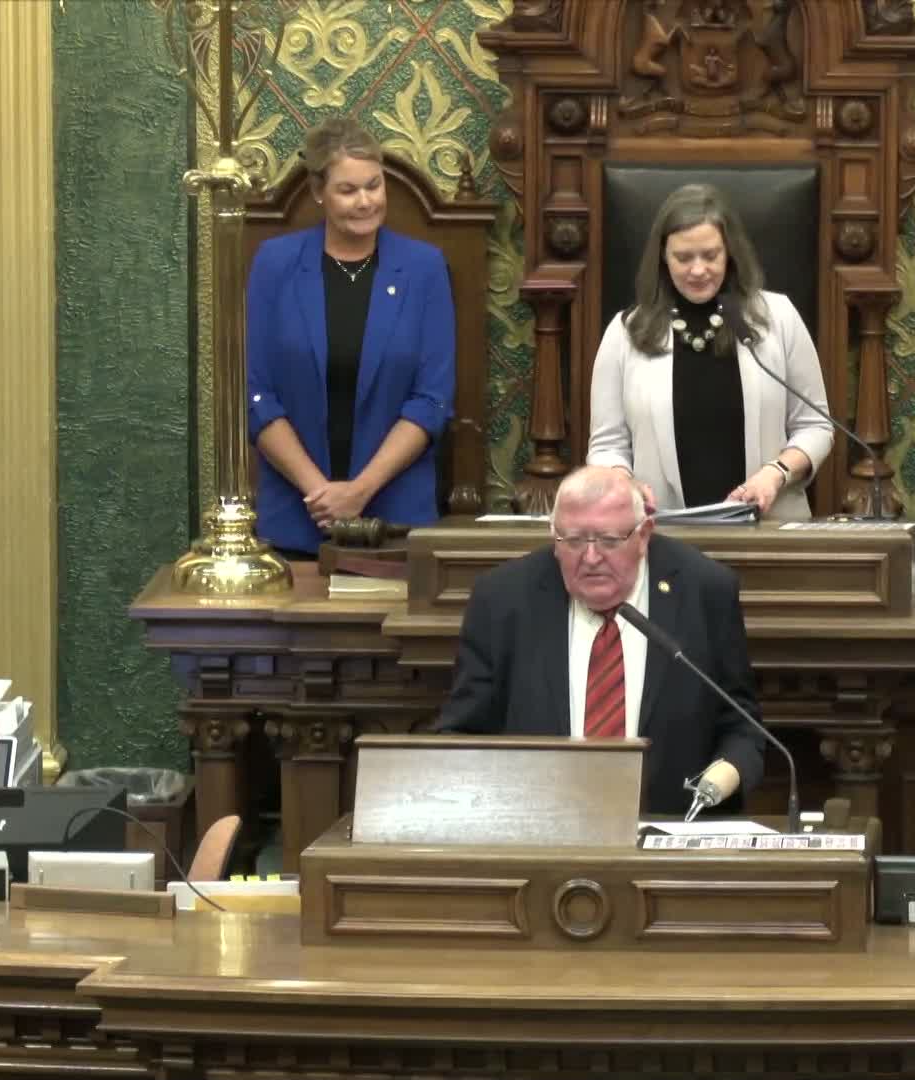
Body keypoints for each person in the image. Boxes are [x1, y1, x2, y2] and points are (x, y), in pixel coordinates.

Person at [438, 466, 766, 814]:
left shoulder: (704, 590)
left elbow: (741, 727)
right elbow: (462, 735)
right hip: (538, 827)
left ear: (643, 535)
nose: (591, 558)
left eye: (609, 541)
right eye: (574, 541)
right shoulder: (503, 599)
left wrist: (720, 779)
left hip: (672, 826)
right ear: (554, 537)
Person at [246, 116, 456, 559]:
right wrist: (321, 495)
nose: (365, 201)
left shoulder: (424, 268)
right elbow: (257, 395)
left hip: (394, 520)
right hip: (297, 518)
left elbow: (431, 399)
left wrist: (359, 491)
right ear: (318, 192)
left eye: (374, 186)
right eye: (348, 190)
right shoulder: (275, 263)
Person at [588, 183, 832, 520]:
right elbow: (607, 446)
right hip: (661, 532)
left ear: (729, 252)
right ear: (662, 257)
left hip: (768, 528)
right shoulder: (625, 332)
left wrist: (775, 473)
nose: (698, 270)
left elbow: (815, 426)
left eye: (710, 255)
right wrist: (623, 483)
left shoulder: (779, 318)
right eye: (683, 257)